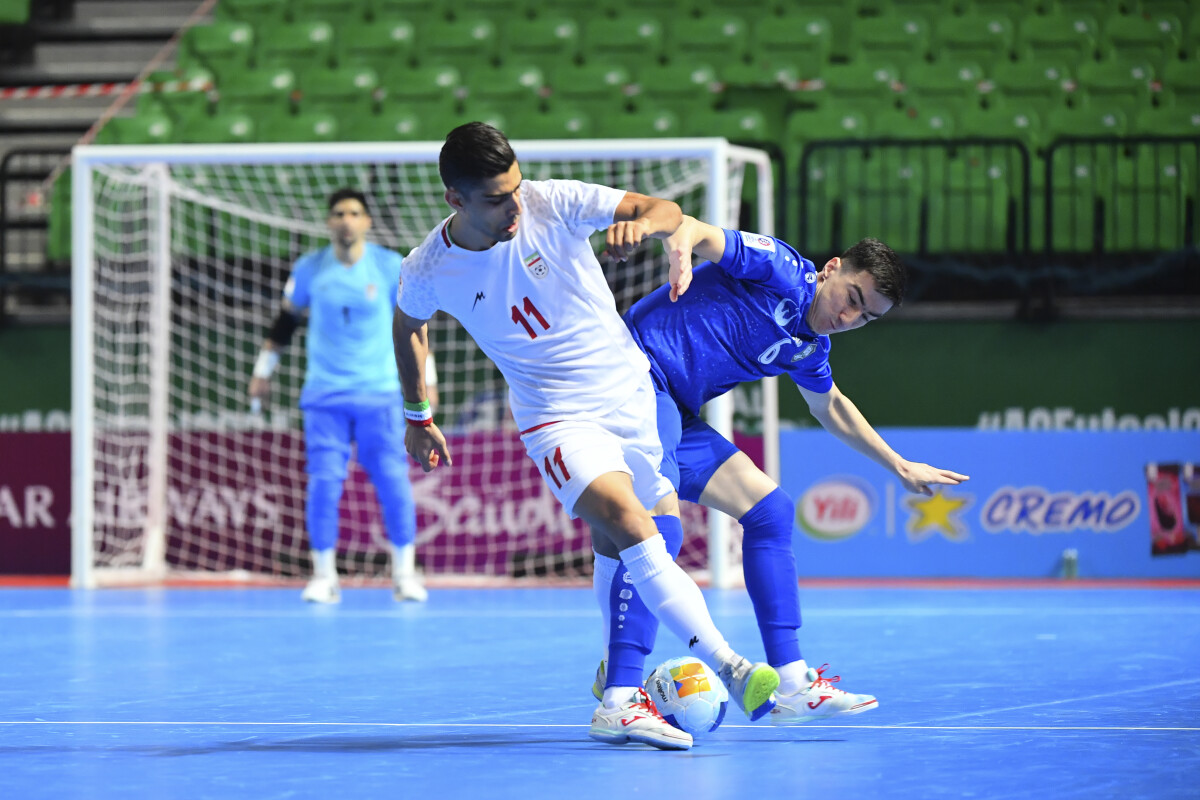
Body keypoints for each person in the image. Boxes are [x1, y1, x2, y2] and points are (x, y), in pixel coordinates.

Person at [393, 122, 779, 751]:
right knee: (633, 523)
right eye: (496, 198)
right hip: (556, 417)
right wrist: (417, 413)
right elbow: (408, 324)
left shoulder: (555, 201)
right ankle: (733, 667)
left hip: (630, 395)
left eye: (516, 188)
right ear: (455, 201)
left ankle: (619, 700)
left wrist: (645, 223)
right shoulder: (429, 267)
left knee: (622, 541)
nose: (515, 206)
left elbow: (664, 208)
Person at [589, 217, 970, 723]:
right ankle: (620, 696)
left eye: (866, 318)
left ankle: (791, 683)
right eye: (852, 297)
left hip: (674, 411)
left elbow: (829, 406)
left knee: (770, 510)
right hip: (634, 377)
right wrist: (678, 241)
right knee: (657, 529)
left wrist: (899, 465)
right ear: (832, 268)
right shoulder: (779, 267)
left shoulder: (810, 346)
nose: (850, 316)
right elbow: (701, 233)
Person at [248, 188, 433, 605]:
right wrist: (263, 372)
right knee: (324, 485)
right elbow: (285, 322)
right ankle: (324, 576)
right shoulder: (310, 268)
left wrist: (427, 380)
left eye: (354, 212)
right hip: (324, 396)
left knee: (393, 483)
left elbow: (414, 325)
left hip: (381, 395)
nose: (346, 219)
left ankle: (404, 574)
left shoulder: (388, 267)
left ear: (366, 221)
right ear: (329, 222)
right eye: (338, 213)